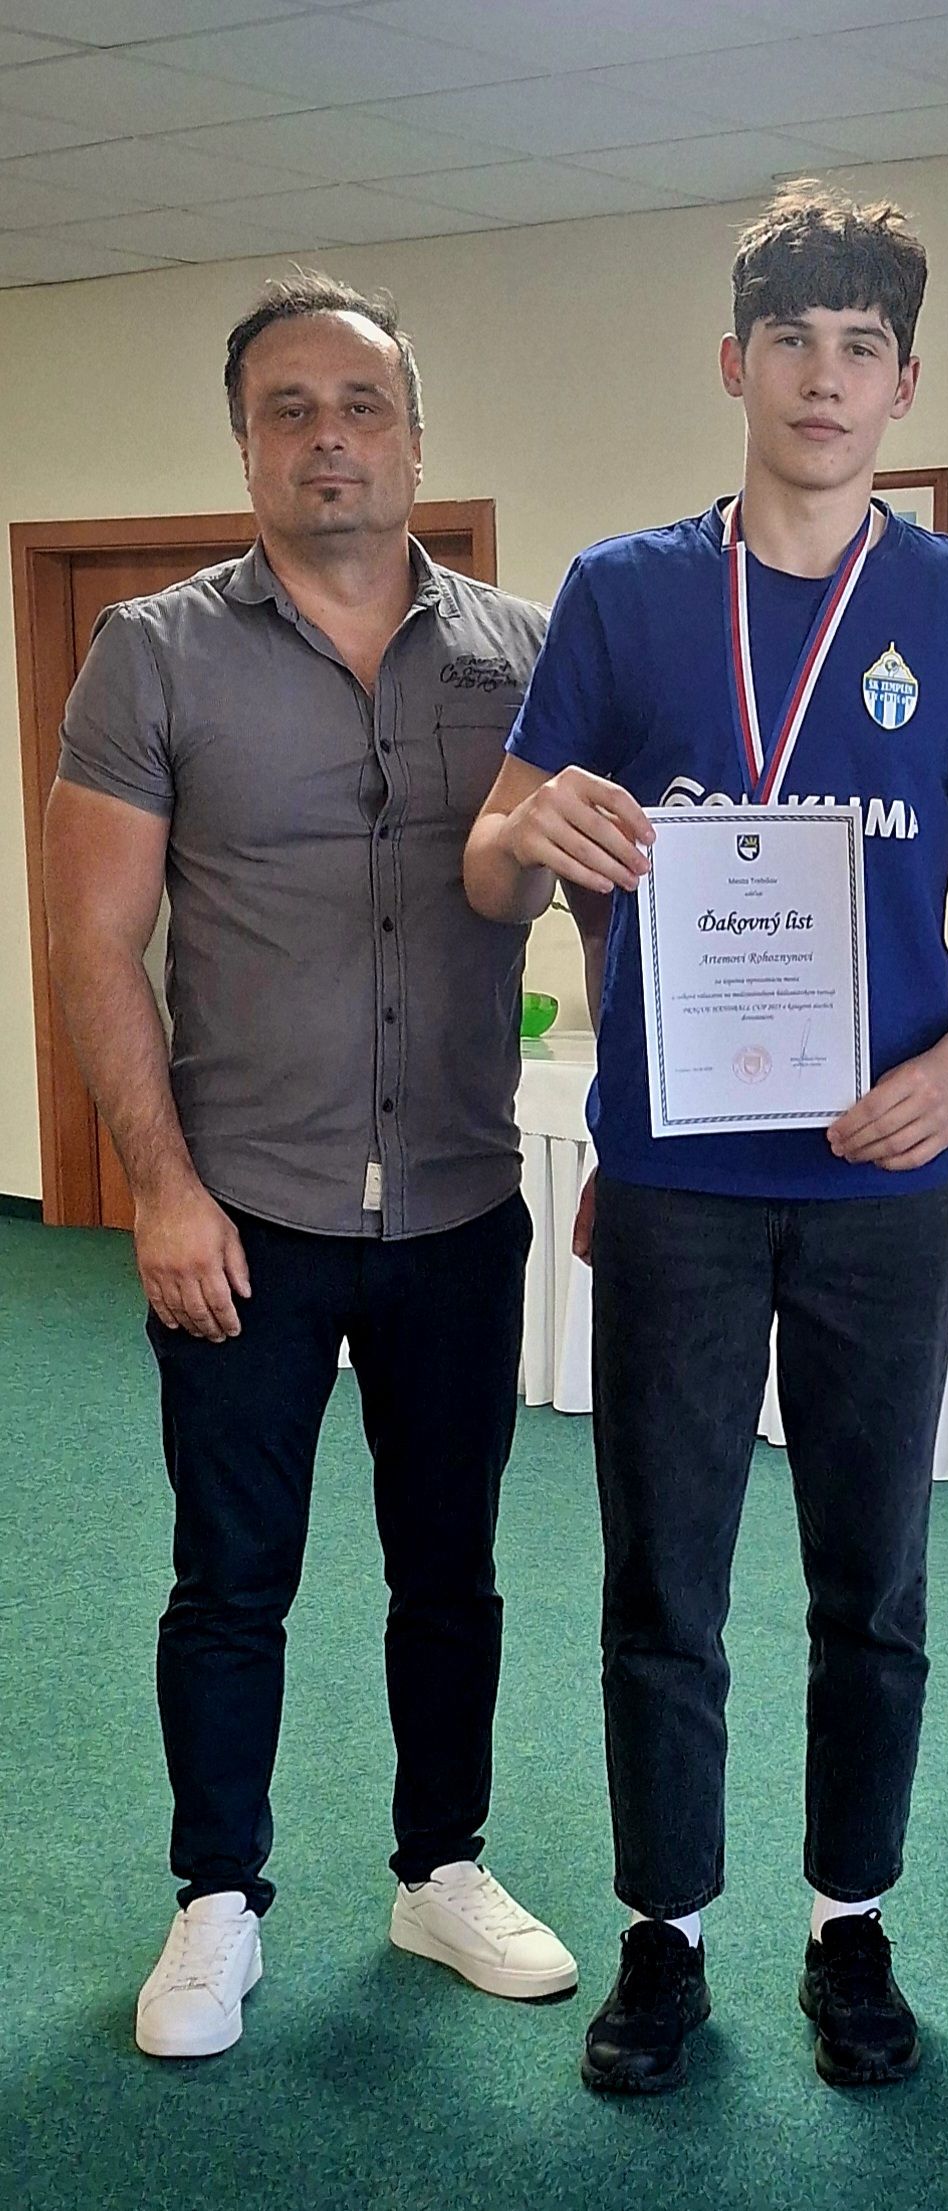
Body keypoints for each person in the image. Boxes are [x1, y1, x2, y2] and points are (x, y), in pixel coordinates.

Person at [465, 182, 948, 2095]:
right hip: (676, 1186)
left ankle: (848, 1923)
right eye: (792, 342)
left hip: (880, 1183)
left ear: (903, 384)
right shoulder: (622, 593)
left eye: (860, 348)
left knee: (868, 1583)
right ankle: (665, 1935)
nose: (824, 378)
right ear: (733, 365)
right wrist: (529, 832)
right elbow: (488, 863)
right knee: (664, 1581)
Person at [44, 275, 576, 2061]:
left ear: (416, 437)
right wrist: (159, 1187)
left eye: (361, 406)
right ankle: (218, 1899)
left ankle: (441, 1870)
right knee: (231, 1575)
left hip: (458, 1205)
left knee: (453, 1569)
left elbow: (615, 891)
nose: (328, 438)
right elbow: (94, 945)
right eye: (290, 410)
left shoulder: (525, 651)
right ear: (246, 445)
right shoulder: (153, 653)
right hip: (244, 1215)